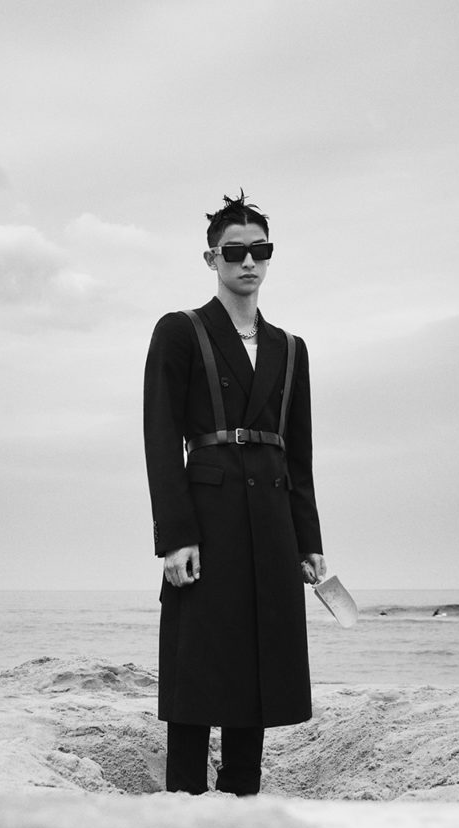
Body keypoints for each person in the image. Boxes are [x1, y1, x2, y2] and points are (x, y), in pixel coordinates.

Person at [143, 191, 325, 796]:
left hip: (271, 520)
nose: (249, 261)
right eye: (235, 251)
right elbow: (161, 438)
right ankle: (184, 794)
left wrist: (309, 540)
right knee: (197, 656)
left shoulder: (290, 349)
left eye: (260, 250)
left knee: (260, 653)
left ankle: (242, 791)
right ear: (211, 258)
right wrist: (175, 537)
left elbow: (298, 454)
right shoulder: (180, 331)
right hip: (208, 516)